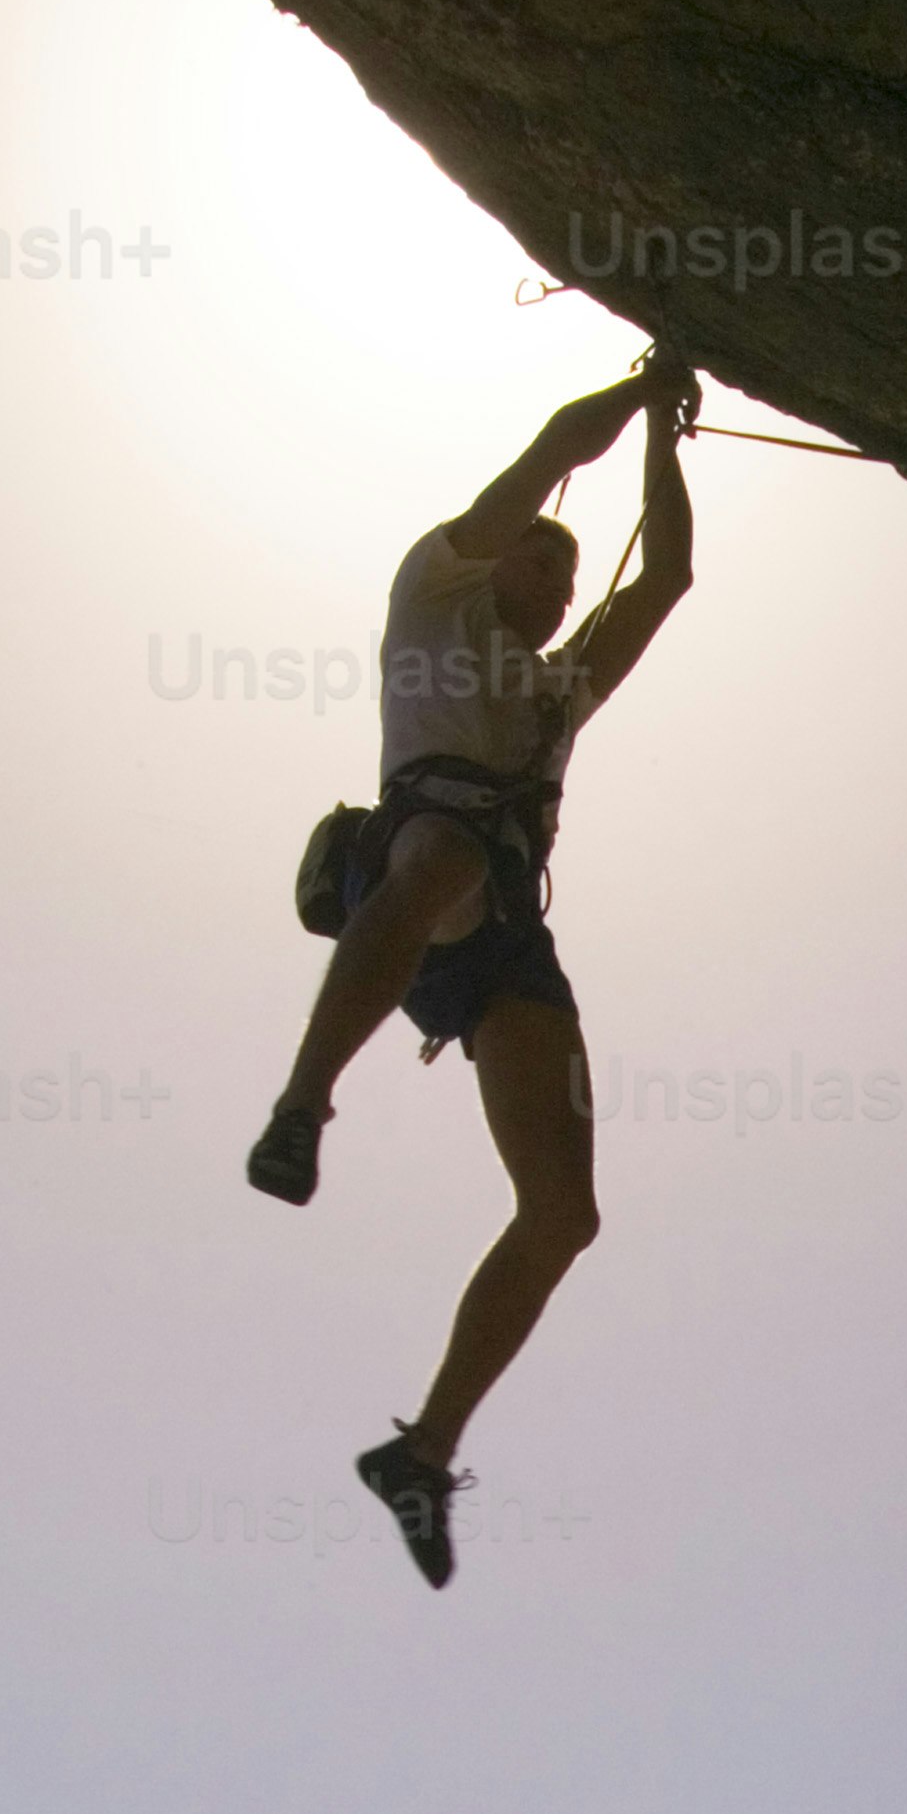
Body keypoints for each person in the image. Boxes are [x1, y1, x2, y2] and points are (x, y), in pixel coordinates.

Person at [247, 356, 695, 1589]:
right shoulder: (435, 589)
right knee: (441, 854)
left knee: (567, 1212)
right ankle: (300, 1108)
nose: (555, 590)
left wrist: (671, 437)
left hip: (500, 934)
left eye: (563, 581)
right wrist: (638, 386)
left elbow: (664, 576)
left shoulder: (561, 690)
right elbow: (555, 443)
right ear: (496, 559)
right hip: (412, 860)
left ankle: (424, 1453)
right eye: (541, 566)